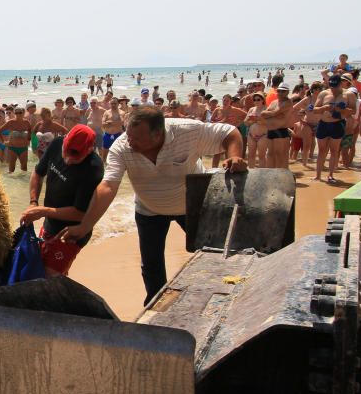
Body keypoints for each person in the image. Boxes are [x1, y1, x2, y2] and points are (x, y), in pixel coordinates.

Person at [60, 107, 246, 304]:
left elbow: (229, 133)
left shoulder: (188, 132)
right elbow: (108, 186)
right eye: (127, 134)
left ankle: (219, 298)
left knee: (212, 253)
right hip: (149, 210)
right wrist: (85, 226)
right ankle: (155, 304)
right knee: (151, 265)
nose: (129, 141)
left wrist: (234, 156)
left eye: (136, 138)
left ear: (158, 133)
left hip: (191, 206)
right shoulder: (122, 147)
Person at [22, 124, 103, 276]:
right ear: (65, 142)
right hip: (50, 223)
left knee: (49, 276)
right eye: (66, 154)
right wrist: (33, 202)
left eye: (76, 158)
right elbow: (38, 173)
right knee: (41, 268)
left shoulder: (93, 168)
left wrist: (43, 211)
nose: (68, 161)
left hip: (73, 231)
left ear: (90, 150)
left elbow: (80, 213)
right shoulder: (56, 143)